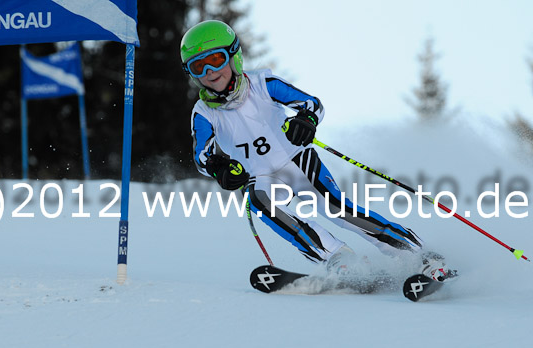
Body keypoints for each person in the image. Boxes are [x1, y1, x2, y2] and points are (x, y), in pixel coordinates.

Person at [180, 20, 454, 282]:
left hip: (297, 159)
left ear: (233, 56)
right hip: (261, 176)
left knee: (335, 208)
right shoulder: (203, 113)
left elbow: (312, 104)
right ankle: (338, 258)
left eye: (215, 60)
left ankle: (417, 254)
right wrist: (220, 168)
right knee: (261, 204)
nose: (209, 73)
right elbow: (201, 157)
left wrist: (305, 120)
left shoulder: (263, 84)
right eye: (198, 67)